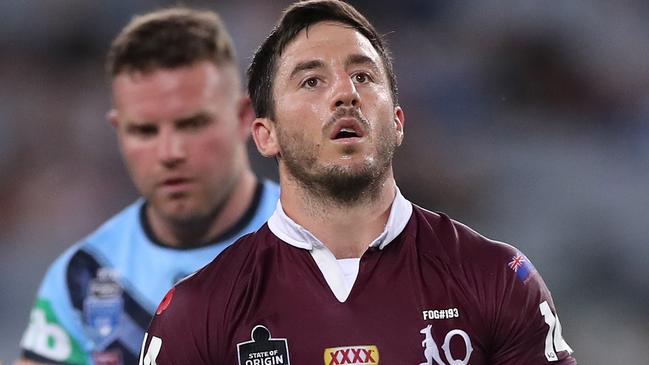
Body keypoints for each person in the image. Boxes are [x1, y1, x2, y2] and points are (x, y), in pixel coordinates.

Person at [141, 1, 577, 364]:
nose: (345, 93)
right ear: (265, 135)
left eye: (363, 76)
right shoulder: (198, 312)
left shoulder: (496, 278)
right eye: (312, 80)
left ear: (397, 121)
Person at [18, 7, 279, 365]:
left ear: (243, 118)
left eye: (192, 124)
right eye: (145, 131)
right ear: (118, 131)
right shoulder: (83, 275)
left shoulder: (324, 242)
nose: (169, 153)